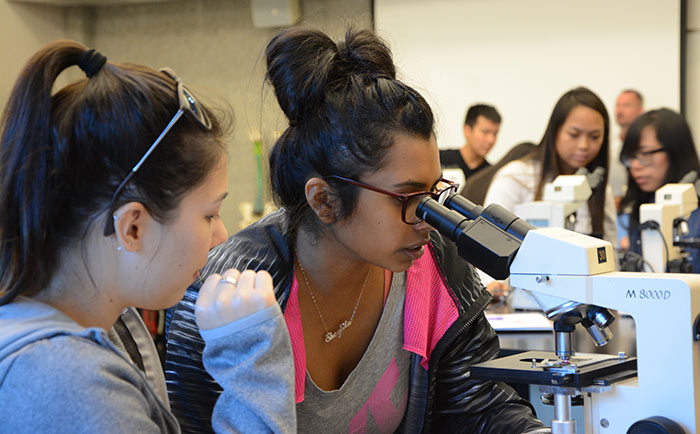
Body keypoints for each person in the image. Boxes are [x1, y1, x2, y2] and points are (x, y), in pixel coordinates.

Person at [166, 27, 548, 433]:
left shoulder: (435, 263)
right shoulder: (228, 296)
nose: (427, 217)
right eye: (406, 197)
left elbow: (482, 408)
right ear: (324, 200)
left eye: (434, 191)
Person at [0, 40, 294, 433]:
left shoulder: (91, 334)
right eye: (209, 214)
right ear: (133, 227)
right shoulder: (68, 384)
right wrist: (253, 358)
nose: (220, 236)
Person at [482, 87, 616, 297]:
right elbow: (487, 243)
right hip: (520, 303)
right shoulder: (516, 178)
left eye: (595, 136)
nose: (584, 145)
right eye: (574, 134)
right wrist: (494, 289)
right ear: (555, 131)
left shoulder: (598, 189)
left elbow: (609, 254)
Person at [618, 108, 700, 272]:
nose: (635, 166)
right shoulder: (643, 205)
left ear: (675, 151)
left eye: (645, 154)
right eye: (631, 157)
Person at [440, 103, 501, 186]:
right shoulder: (439, 159)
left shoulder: (492, 175)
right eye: (485, 132)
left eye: (495, 133)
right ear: (467, 130)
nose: (491, 140)